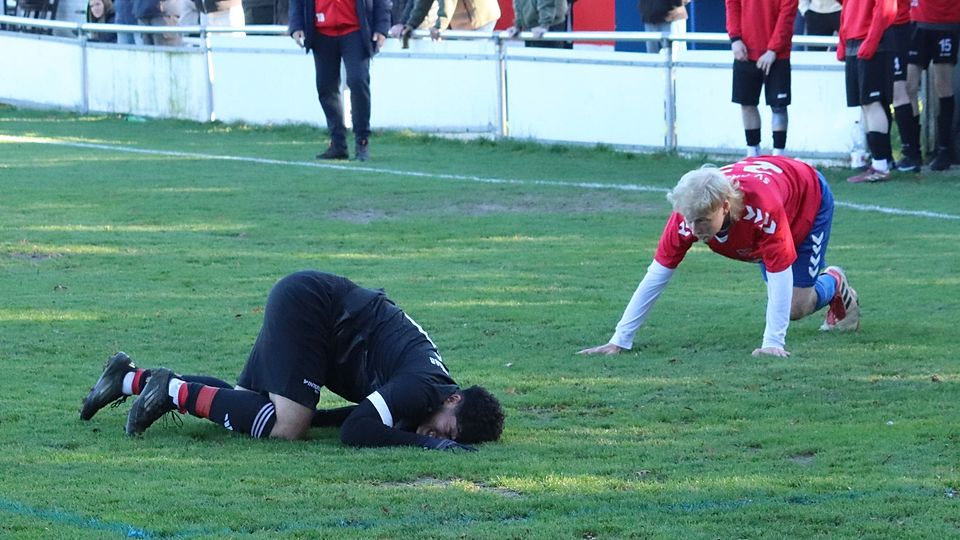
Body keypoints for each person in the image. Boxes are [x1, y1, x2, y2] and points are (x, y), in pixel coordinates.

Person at [80, 271, 505, 450]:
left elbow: (359, 416)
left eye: (445, 437)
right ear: (453, 400)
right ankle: (170, 389)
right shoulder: (422, 385)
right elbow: (357, 431)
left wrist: (321, 416)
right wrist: (429, 445)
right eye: (445, 430)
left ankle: (128, 380)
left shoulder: (430, 387)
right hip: (312, 309)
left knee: (253, 405)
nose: (434, 432)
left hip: (312, 306)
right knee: (287, 426)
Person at [578, 156, 860, 359]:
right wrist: (619, 340)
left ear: (725, 206)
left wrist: (772, 343)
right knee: (784, 300)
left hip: (806, 198)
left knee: (795, 308)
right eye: (689, 220)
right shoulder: (688, 215)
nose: (693, 229)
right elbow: (656, 276)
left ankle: (834, 281)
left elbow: (779, 270)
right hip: (771, 201)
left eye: (701, 221)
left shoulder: (761, 211)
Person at [289, 0, 390, 162]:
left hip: (356, 30)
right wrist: (296, 25)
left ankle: (362, 140)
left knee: (358, 81)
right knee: (325, 87)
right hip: (321, 31)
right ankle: (337, 143)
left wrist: (381, 28)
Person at [725, 0, 797, 157]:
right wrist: (735, 39)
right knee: (747, 103)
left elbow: (787, 16)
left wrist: (773, 50)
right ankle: (752, 153)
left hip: (778, 55)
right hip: (745, 50)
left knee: (779, 106)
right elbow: (732, 5)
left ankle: (779, 156)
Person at [838, 0, 898, 183]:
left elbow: (886, 9)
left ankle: (881, 165)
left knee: (873, 103)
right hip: (854, 39)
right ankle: (877, 162)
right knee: (866, 105)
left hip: (872, 41)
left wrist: (871, 41)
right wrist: (843, 42)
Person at [899, 0, 960, 172]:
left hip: (947, 22)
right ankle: (913, 152)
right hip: (917, 22)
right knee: (909, 85)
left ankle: (944, 150)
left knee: (943, 85)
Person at [396, 0, 500, 44]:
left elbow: (448, 2)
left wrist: (440, 27)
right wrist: (411, 24)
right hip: (461, 20)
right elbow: (423, 3)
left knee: (474, 59)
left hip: (479, 16)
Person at [504, 0, 569, 49]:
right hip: (532, 26)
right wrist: (517, 25)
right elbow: (518, 3)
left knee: (548, 62)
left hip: (550, 25)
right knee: (534, 62)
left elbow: (547, 3)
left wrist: (544, 25)